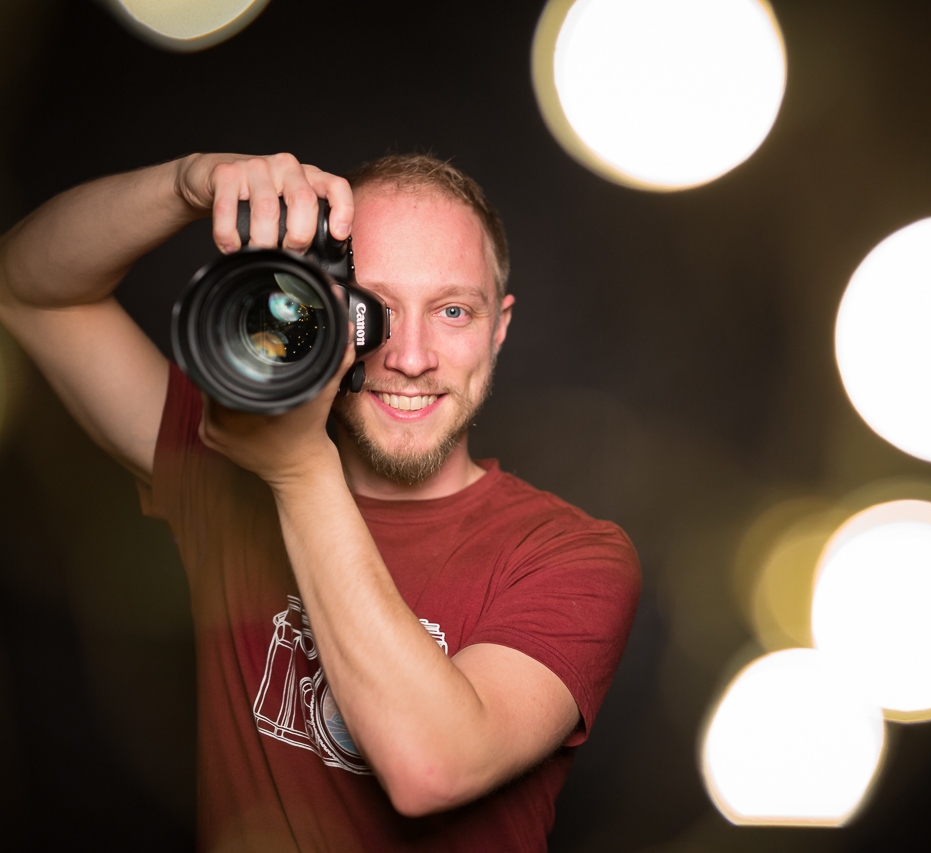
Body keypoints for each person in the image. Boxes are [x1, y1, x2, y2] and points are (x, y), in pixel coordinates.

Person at [0, 152, 641, 851]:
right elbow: (30, 288)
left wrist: (300, 472)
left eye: (453, 310)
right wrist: (188, 183)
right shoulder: (230, 461)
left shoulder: (572, 555)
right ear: (319, 313)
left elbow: (433, 766)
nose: (411, 356)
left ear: (499, 328)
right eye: (376, 308)